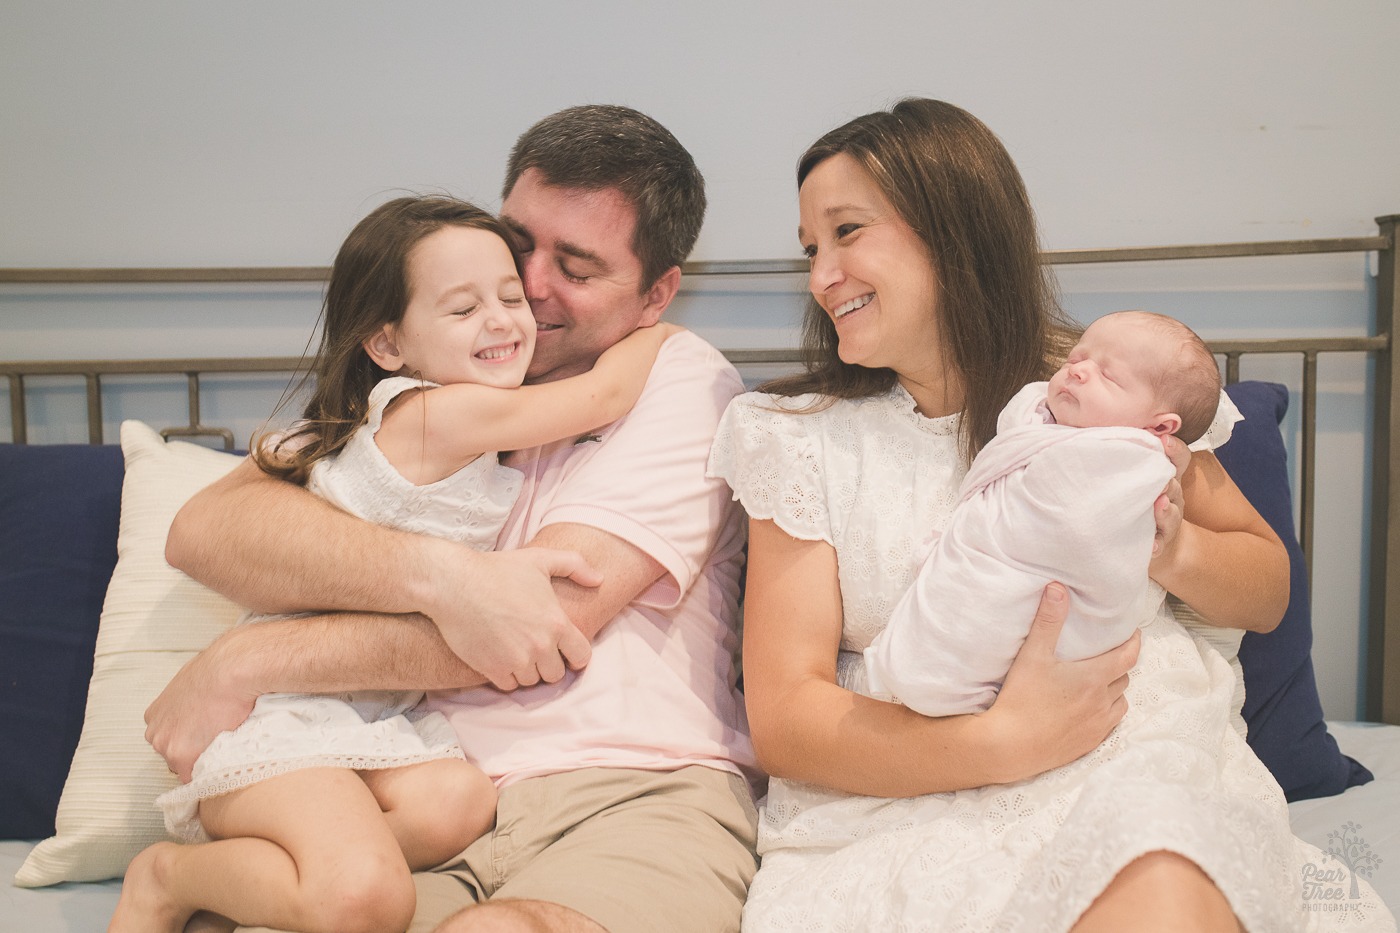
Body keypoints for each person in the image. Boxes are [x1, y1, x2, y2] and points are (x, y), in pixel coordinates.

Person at [708, 98, 1394, 931]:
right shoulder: (797, 435)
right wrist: (1001, 743)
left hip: (1136, 761)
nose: (821, 277)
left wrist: (1168, 547)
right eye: (812, 249)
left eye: (848, 232)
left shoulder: (1113, 388)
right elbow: (785, 717)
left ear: (951, 230)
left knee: (1158, 874)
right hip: (901, 793)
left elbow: (1266, 591)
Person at [146, 105, 766, 933]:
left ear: (656, 294)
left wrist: (244, 659)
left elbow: (536, 628)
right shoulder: (429, 377)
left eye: (575, 268)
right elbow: (205, 532)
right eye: (518, 247)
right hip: (419, 788)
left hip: (624, 790)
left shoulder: (680, 379)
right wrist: (446, 577)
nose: (526, 292)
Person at [864, 310, 1223, 715]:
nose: (1079, 372)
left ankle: (945, 679)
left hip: (1084, 662)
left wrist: (1170, 548)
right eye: (1074, 359)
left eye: (1109, 376)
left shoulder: (1139, 460)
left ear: (1160, 428)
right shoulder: (1041, 414)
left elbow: (1071, 528)